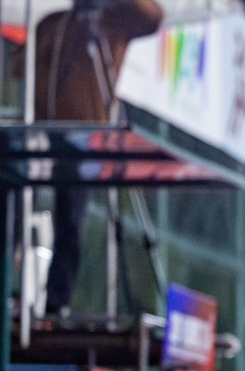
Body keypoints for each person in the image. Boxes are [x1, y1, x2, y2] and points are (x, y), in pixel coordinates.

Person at [35, 0, 163, 316]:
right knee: (22, 208)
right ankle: (12, 284)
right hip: (43, 132)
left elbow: (153, 18)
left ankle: (56, 300)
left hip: (85, 139)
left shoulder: (114, 24)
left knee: (70, 220)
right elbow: (27, 72)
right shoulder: (56, 24)